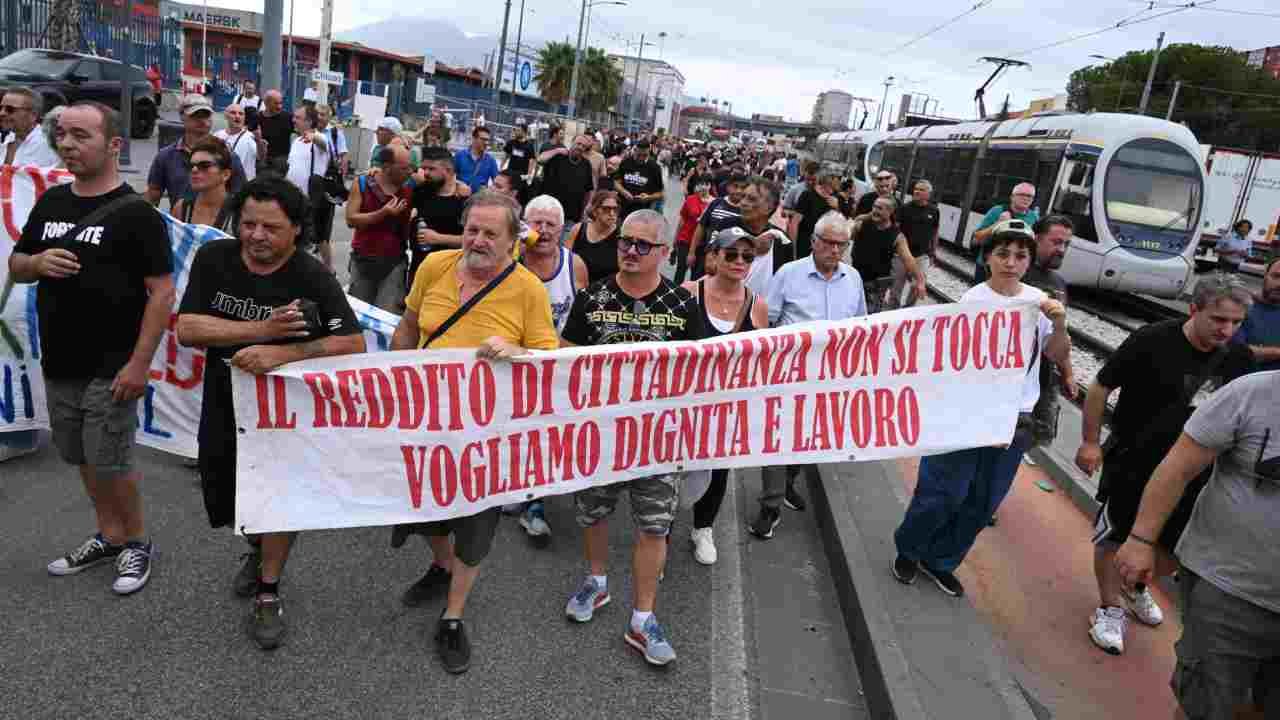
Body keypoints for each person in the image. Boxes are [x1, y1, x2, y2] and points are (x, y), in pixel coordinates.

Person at [176, 176, 363, 650]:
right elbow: (189, 328)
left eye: (270, 228)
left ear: (297, 230)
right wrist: (263, 330)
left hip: (283, 414)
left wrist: (286, 354)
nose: (256, 235)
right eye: (249, 224)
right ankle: (258, 549)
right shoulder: (214, 258)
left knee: (278, 498)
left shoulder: (311, 275)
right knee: (228, 501)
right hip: (223, 401)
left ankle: (269, 589)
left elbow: (352, 342)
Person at [9, 101, 174, 596]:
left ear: (114, 145)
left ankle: (138, 542)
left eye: (81, 136)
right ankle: (110, 534)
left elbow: (162, 293)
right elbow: (17, 262)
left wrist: (139, 364)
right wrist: (36, 265)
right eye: (63, 135)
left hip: (114, 364)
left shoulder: (138, 215)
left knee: (111, 458)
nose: (68, 145)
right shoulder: (53, 202)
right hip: (61, 360)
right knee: (79, 453)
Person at [391, 191, 559, 674]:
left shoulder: (528, 290)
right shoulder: (434, 268)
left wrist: (517, 349)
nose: (478, 241)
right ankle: (440, 565)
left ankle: (453, 614)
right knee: (422, 509)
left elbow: (549, 360)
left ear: (512, 241)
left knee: (475, 523)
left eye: (491, 234)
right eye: (472, 230)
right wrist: (391, 380)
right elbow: (407, 327)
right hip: (425, 420)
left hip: (487, 433)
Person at [1075, 274, 1255, 655]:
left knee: (1175, 546)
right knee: (1117, 536)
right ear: (1194, 309)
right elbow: (1100, 386)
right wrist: (1091, 441)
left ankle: (1134, 585)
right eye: (1219, 319)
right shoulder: (1152, 340)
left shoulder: (1240, 359)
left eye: (1236, 322)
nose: (1228, 330)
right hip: (1134, 461)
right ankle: (1109, 608)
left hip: (1196, 473)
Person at [892, 219, 1070, 597]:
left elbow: (1054, 356)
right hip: (966, 414)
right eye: (1003, 254)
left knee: (982, 500)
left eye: (1020, 256)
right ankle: (909, 548)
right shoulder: (973, 301)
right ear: (988, 258)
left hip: (1013, 421)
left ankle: (940, 560)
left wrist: (1058, 325)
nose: (1011, 262)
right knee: (943, 491)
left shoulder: (1039, 303)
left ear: (1028, 260)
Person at [561, 209, 704, 667]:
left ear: (664, 253)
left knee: (654, 526)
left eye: (643, 245)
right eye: (625, 241)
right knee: (593, 513)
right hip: (599, 435)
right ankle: (596, 583)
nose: (630, 251)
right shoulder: (591, 297)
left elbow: (704, 370)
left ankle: (643, 619)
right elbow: (564, 357)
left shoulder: (683, 306)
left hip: (658, 441)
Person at [1113, 368, 1280, 720]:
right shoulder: (1251, 394)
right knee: (1208, 707)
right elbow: (1178, 468)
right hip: (1229, 593)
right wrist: (1141, 540)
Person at [750, 212, 865, 539]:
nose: (834, 250)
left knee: (807, 438)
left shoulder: (852, 278)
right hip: (788, 373)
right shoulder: (789, 273)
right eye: (827, 242)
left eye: (841, 244)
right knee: (777, 437)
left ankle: (788, 483)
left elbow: (860, 326)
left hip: (830, 378)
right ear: (813, 241)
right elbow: (766, 318)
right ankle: (770, 506)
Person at [681, 227, 769, 564]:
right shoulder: (689, 292)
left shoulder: (756, 305)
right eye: (731, 254)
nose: (739, 261)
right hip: (684, 403)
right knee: (674, 467)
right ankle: (660, 531)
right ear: (713, 256)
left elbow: (763, 357)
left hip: (726, 408)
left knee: (718, 469)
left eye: (747, 256)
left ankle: (703, 528)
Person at [508, 195, 590, 544]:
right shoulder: (508, 261)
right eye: (535, 223)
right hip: (509, 364)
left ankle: (534, 503)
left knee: (543, 434)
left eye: (549, 225)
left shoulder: (575, 266)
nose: (541, 231)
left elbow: (585, 319)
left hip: (555, 368)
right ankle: (507, 487)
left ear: (562, 229)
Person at [345, 144, 414, 312]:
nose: (409, 172)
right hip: (363, 260)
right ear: (387, 167)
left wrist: (458, 185)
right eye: (404, 168)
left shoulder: (409, 187)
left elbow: (441, 177)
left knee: (387, 316)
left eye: (410, 167)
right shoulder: (363, 183)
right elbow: (351, 219)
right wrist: (383, 213)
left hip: (394, 262)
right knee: (359, 315)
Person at [146, 94, 247, 208]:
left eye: (206, 115)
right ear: (182, 116)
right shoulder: (166, 156)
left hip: (215, 224)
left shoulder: (228, 155)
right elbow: (152, 197)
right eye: (196, 115)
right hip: (180, 222)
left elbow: (241, 197)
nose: (202, 120)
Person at [706, 177, 787, 297]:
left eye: (752, 199)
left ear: (769, 208)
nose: (743, 203)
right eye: (743, 197)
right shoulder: (726, 225)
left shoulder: (780, 240)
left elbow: (782, 286)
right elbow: (709, 266)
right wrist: (752, 250)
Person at [848, 196, 926, 313]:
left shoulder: (897, 236)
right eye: (874, 206)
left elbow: (908, 260)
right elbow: (846, 239)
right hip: (854, 277)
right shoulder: (862, 224)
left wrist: (920, 281)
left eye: (879, 208)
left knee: (868, 315)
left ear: (890, 212)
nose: (874, 210)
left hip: (876, 285)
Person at [283, 105, 335, 269]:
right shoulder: (296, 141)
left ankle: (329, 270)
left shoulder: (320, 138)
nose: (294, 120)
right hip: (295, 198)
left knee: (319, 238)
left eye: (298, 118)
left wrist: (314, 136)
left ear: (309, 121)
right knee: (301, 235)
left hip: (313, 198)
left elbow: (324, 145)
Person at [410, 145, 468, 278]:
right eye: (424, 168)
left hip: (448, 272)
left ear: (448, 170)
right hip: (418, 269)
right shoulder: (421, 191)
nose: (426, 173)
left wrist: (438, 238)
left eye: (431, 169)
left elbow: (470, 240)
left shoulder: (464, 200)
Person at [971, 182, 1039, 283]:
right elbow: (976, 239)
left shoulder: (1034, 217)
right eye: (1022, 194)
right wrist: (998, 223)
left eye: (1029, 196)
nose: (1026, 198)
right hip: (988, 267)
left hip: (1013, 269)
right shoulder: (997, 211)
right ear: (1012, 197)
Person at [889, 179, 940, 309]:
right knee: (895, 289)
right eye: (916, 189)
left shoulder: (934, 211)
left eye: (921, 190)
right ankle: (891, 312)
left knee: (917, 286)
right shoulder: (904, 208)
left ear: (928, 193)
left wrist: (933, 252)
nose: (917, 191)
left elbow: (935, 232)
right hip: (901, 256)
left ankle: (907, 310)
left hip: (921, 256)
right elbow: (895, 230)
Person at [688, 172, 748, 280]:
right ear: (728, 187)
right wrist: (692, 252)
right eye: (735, 186)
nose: (739, 190)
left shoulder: (746, 211)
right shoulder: (716, 203)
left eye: (743, 187)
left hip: (729, 261)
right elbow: (700, 227)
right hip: (706, 256)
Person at [170, 137, 237, 233]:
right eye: (191, 166)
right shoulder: (181, 208)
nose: (194, 170)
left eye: (204, 166)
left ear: (225, 174)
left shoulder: (239, 212)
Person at [538, 134, 596, 229]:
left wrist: (583, 213)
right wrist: (557, 150)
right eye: (578, 144)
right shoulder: (559, 156)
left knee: (564, 244)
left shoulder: (586, 165)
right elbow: (540, 159)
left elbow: (588, 191)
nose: (580, 147)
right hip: (548, 212)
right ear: (572, 143)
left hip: (571, 217)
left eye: (583, 146)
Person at [1234, 256, 1280, 373]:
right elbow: (1236, 351)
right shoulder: (1241, 306)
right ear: (1265, 275)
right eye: (1276, 276)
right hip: (1239, 384)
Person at [786, 172, 839, 269]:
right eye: (833, 186)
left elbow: (836, 225)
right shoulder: (808, 195)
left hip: (821, 247)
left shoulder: (833, 199)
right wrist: (792, 248)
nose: (833, 191)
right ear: (826, 184)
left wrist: (836, 207)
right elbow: (795, 223)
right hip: (804, 244)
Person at [567, 191, 622, 284]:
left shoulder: (621, 236)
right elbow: (565, 261)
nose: (612, 213)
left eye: (615, 209)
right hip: (573, 284)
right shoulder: (578, 229)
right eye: (606, 209)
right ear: (595, 210)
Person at [0, 87, 59, 166]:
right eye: (0, 108)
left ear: (33, 115)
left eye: (10, 109)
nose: (2, 113)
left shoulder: (47, 144)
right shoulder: (6, 137)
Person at [674, 174, 712, 284]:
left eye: (706, 184)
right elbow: (681, 221)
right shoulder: (690, 199)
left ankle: (692, 297)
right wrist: (675, 241)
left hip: (702, 245)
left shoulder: (715, 203)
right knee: (680, 270)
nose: (703, 187)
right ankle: (675, 295)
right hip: (685, 240)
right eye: (701, 184)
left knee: (696, 276)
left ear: (710, 186)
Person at [613, 139, 664, 220]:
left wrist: (649, 197)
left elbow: (661, 193)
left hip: (642, 212)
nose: (641, 158)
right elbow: (616, 182)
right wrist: (623, 191)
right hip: (622, 208)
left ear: (649, 152)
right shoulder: (626, 162)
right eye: (639, 155)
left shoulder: (655, 168)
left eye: (645, 155)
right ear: (635, 150)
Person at [214, 104, 258, 182]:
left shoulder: (250, 137)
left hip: (244, 186)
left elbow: (260, 156)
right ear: (225, 116)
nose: (237, 116)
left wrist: (260, 142)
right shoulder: (217, 135)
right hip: (222, 183)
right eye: (233, 113)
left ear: (244, 118)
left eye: (241, 114)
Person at [253, 90, 292, 177]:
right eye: (276, 103)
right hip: (262, 161)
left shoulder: (287, 117)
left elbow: (301, 130)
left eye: (281, 103)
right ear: (266, 103)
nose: (279, 106)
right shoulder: (257, 117)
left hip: (281, 161)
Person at [454, 126, 499, 194]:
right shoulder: (460, 155)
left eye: (487, 140)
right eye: (483, 139)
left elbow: (497, 183)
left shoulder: (491, 160)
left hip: (478, 201)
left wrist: (488, 189)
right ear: (474, 138)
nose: (486, 143)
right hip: (459, 197)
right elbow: (449, 176)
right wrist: (459, 184)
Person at [315, 104, 349, 177]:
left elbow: (344, 156)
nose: (319, 117)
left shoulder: (336, 133)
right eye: (317, 114)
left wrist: (342, 177)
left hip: (328, 176)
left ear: (329, 117)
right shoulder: (310, 130)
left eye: (322, 114)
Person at [502, 122, 536, 187]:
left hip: (521, 175)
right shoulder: (511, 142)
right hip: (510, 172)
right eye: (516, 130)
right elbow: (505, 156)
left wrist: (528, 175)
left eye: (518, 130)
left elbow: (532, 161)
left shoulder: (529, 145)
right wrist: (501, 167)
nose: (516, 132)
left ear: (524, 132)